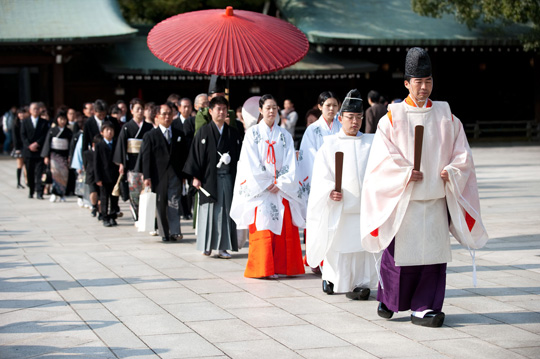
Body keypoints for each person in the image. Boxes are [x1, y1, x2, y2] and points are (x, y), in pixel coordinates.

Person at [360, 47, 488, 328]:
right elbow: (382, 158)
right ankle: (390, 299)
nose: (424, 87)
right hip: (405, 198)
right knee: (400, 256)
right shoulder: (392, 117)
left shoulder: (446, 114)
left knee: (433, 257)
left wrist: (452, 170)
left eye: (428, 81)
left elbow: (462, 153)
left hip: (434, 198)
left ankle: (424, 307)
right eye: (418, 82)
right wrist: (404, 173)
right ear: (406, 83)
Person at [306, 89, 379, 299]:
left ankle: (361, 283)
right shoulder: (330, 145)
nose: (355, 122)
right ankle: (331, 278)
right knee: (338, 247)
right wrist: (330, 191)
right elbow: (321, 176)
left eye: (358, 117)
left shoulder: (371, 143)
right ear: (341, 118)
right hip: (340, 207)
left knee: (361, 249)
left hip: (364, 208)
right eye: (350, 117)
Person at [231, 94, 305, 278]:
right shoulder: (252, 134)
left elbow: (290, 162)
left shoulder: (285, 135)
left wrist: (280, 182)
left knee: (283, 227)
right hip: (261, 190)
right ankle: (262, 268)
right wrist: (266, 182)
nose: (271, 111)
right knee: (264, 227)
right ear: (261, 110)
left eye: (274, 107)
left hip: (281, 189)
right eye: (268, 108)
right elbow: (249, 162)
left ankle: (281, 267)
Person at [184, 96, 242, 258]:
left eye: (224, 109)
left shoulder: (232, 133)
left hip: (227, 178)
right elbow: (195, 155)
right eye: (218, 109)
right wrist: (195, 176)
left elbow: (239, 157)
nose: (222, 112)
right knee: (207, 211)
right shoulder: (203, 131)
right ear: (210, 111)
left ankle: (223, 248)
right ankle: (206, 245)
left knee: (224, 212)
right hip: (208, 178)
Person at [297, 91, 341, 271]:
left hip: (341, 178)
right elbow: (309, 156)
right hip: (320, 181)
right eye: (328, 105)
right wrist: (328, 174)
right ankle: (318, 260)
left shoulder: (342, 126)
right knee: (319, 221)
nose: (331, 109)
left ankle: (335, 260)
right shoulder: (312, 129)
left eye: (334, 105)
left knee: (337, 222)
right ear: (320, 106)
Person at [141, 103, 188, 242]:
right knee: (160, 204)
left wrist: (184, 175)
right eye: (164, 114)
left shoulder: (179, 133)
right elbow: (146, 157)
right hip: (158, 175)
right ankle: (164, 232)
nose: (167, 117)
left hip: (175, 173)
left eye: (169, 114)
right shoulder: (150, 135)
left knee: (174, 202)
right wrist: (147, 176)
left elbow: (183, 155)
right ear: (157, 116)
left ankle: (175, 231)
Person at [114, 98, 154, 221]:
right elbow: (121, 146)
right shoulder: (126, 127)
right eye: (137, 109)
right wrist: (121, 163)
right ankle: (137, 216)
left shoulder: (149, 127)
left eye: (142, 109)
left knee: (146, 189)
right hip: (132, 161)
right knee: (134, 191)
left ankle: (146, 215)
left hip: (146, 161)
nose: (140, 111)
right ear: (131, 111)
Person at [41, 111, 73, 202]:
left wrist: (70, 156)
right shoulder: (52, 130)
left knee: (63, 175)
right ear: (57, 119)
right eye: (61, 119)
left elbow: (71, 145)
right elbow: (47, 143)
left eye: (64, 119)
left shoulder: (68, 131)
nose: (62, 121)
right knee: (55, 174)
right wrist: (46, 156)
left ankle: (62, 194)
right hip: (54, 155)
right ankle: (54, 193)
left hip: (64, 155)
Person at [173, 97, 196, 220]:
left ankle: (189, 210)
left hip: (192, 159)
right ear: (179, 108)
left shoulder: (195, 121)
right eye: (184, 106)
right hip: (179, 160)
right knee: (180, 187)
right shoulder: (174, 124)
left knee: (191, 187)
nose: (186, 109)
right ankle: (182, 210)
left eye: (189, 106)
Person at [20, 102, 49, 199]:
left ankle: (40, 192)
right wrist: (29, 145)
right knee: (30, 172)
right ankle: (31, 190)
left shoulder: (44, 122)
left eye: (37, 109)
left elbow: (45, 135)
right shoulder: (25, 122)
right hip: (28, 152)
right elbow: (23, 135)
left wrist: (37, 143)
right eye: (34, 109)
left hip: (39, 150)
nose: (36, 111)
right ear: (30, 111)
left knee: (40, 172)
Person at [94, 122, 120, 227]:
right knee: (104, 198)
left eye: (111, 130)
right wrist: (98, 178)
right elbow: (96, 163)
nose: (109, 132)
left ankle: (113, 216)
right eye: (107, 130)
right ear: (102, 132)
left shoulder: (117, 143)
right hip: (104, 176)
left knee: (114, 197)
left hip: (115, 175)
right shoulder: (99, 145)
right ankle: (104, 216)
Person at [11, 107, 27, 189]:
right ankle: (18, 182)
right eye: (20, 113)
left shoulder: (27, 122)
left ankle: (27, 181)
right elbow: (15, 137)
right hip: (19, 147)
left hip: (26, 146)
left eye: (23, 113)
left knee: (27, 165)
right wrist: (17, 148)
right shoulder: (16, 123)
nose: (22, 115)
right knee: (20, 165)